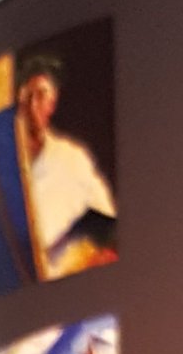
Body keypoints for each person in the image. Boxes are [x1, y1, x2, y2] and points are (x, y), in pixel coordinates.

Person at [12, 60, 117, 279]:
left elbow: (108, 221)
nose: (32, 105)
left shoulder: (72, 158)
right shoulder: (5, 166)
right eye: (27, 96)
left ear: (51, 104)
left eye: (41, 95)